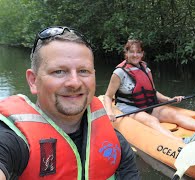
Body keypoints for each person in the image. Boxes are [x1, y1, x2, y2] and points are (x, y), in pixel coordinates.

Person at [0, 26, 140, 179]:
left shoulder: (116, 143)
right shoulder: (10, 140)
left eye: (83, 71)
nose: (74, 82)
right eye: (59, 71)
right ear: (33, 81)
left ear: (93, 76)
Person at [104, 39, 195, 143]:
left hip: (148, 105)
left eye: (138, 52)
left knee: (174, 115)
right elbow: (108, 96)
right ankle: (181, 141)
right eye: (131, 52)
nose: (135, 55)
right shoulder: (119, 73)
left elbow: (153, 92)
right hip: (130, 108)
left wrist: (169, 99)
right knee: (152, 120)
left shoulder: (146, 69)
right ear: (126, 53)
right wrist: (109, 112)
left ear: (142, 54)